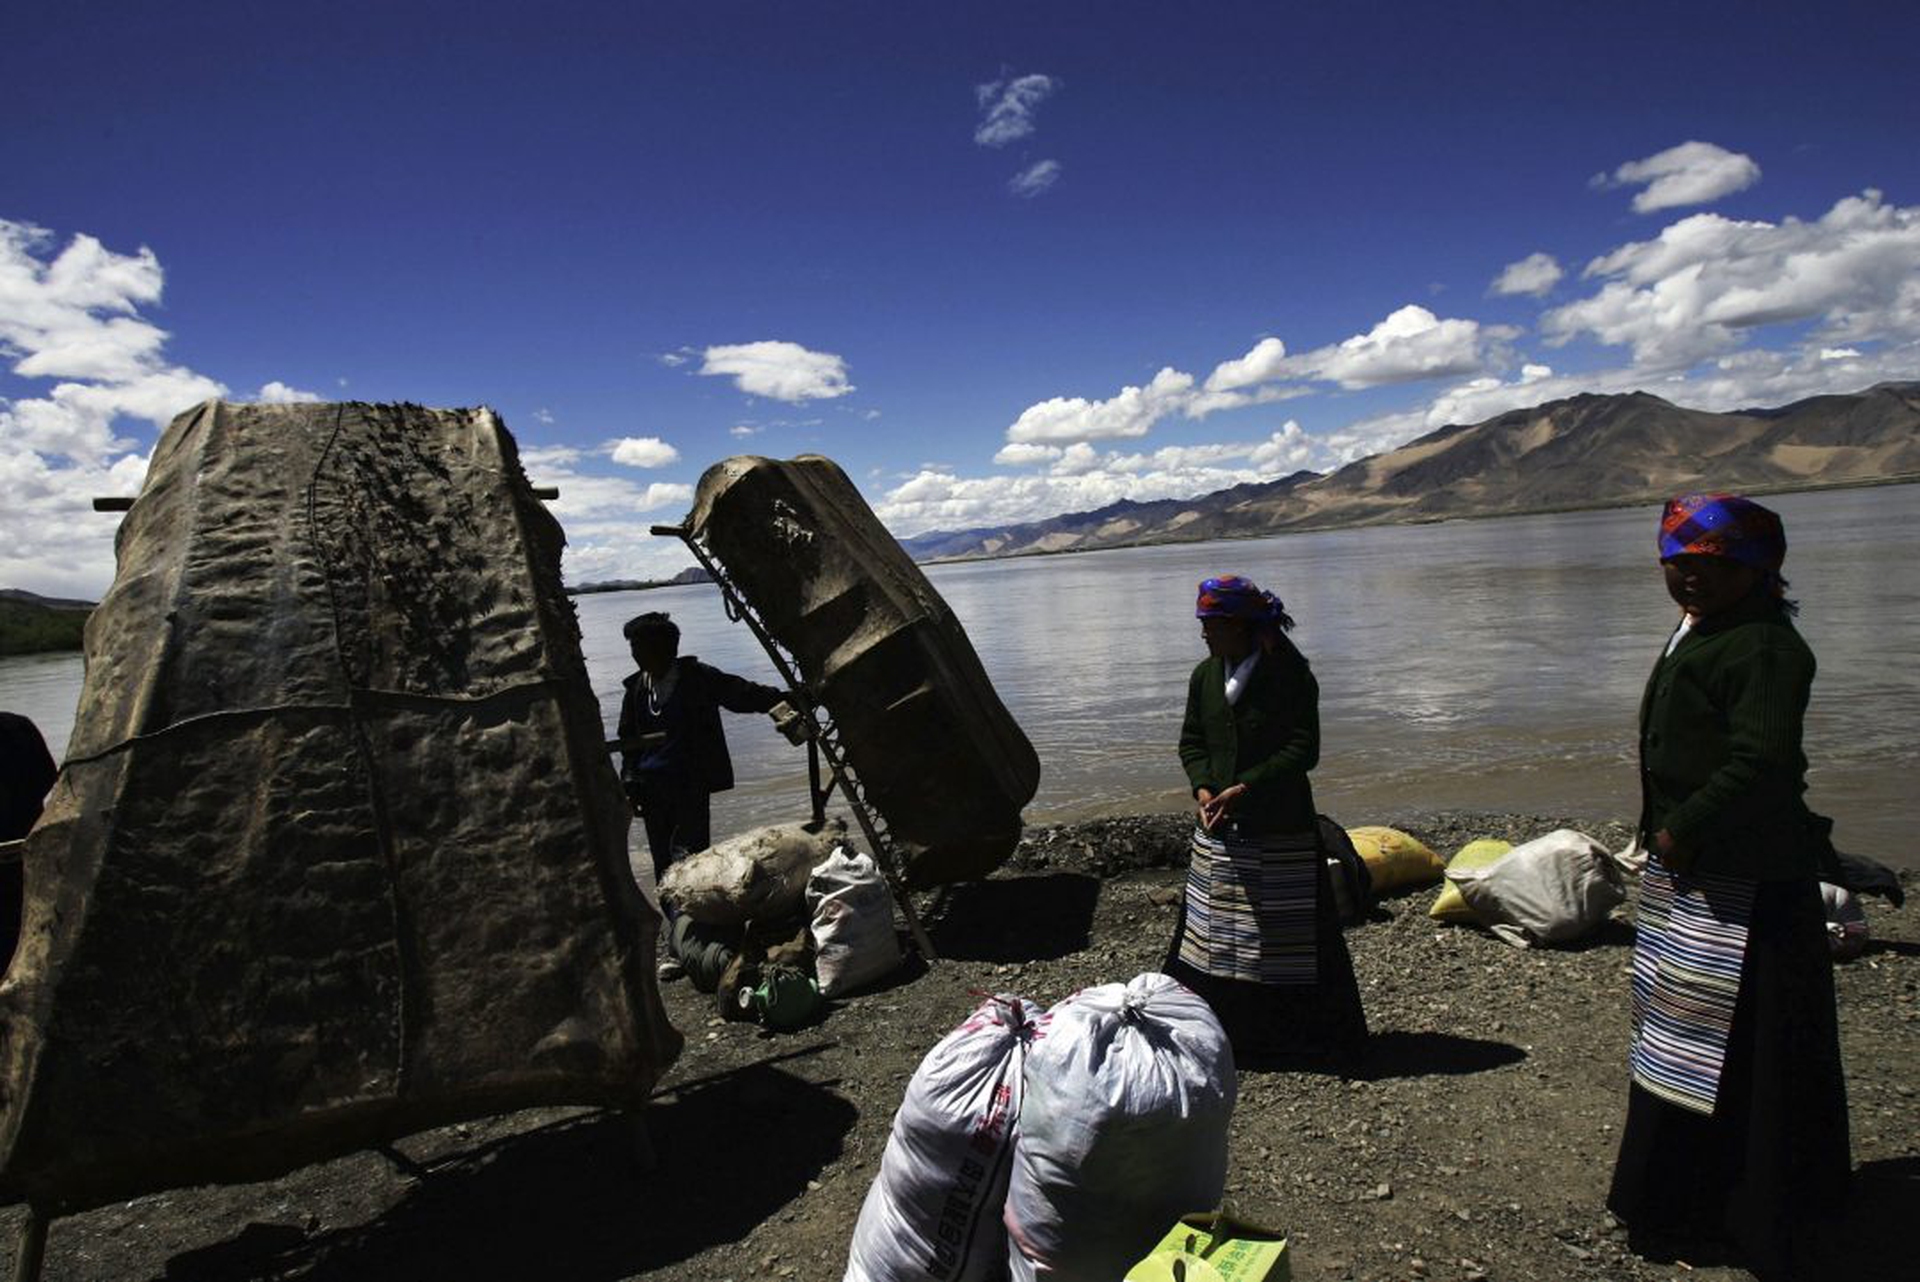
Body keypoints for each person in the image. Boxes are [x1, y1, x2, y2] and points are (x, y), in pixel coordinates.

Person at [1607, 494, 1850, 1279]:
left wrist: (1684, 828)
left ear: (1757, 569)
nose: (1687, 578)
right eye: (1676, 563)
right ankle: (1686, 1191)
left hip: (1748, 874)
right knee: (1685, 1026)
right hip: (1701, 868)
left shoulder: (1765, 649)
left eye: (1710, 567)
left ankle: (1753, 1206)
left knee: (1747, 1044)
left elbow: (1762, 762)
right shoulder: (1702, 631)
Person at [1162, 574, 1367, 1070]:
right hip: (1221, 831)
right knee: (1213, 933)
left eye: (1210, 624)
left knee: (1289, 936)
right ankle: (1217, 1031)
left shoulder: (1290, 674)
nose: (1203, 634)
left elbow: (1303, 749)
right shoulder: (1205, 677)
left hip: (1280, 827)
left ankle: (1303, 1040)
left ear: (1237, 625)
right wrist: (1204, 787)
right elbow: (1192, 741)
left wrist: (1247, 786)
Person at [615, 612, 790, 886]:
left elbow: (742, 694)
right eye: (633, 647)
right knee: (662, 862)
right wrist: (629, 780)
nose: (635, 654)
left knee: (689, 858)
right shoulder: (636, 688)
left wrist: (786, 699)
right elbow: (628, 742)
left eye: (639, 646)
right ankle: (677, 920)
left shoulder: (696, 677)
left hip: (689, 784)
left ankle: (697, 918)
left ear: (663, 647)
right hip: (651, 789)